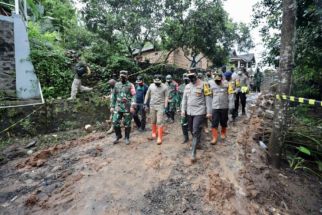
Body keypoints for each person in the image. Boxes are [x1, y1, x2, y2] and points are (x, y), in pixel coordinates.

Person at [181, 68, 212, 162]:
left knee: (195, 131)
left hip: (200, 111)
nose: (191, 78)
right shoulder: (187, 86)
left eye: (192, 76)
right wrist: (183, 110)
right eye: (189, 77)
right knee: (191, 129)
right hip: (189, 112)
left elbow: (208, 98)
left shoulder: (205, 84)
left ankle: (193, 153)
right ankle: (198, 143)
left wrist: (209, 112)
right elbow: (184, 100)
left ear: (197, 75)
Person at [110, 70, 136, 145]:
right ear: (119, 77)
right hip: (118, 106)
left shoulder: (131, 85)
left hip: (127, 107)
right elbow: (114, 96)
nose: (122, 78)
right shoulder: (116, 85)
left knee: (127, 123)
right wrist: (112, 106)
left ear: (127, 77)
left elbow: (134, 96)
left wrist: (132, 106)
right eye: (121, 77)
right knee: (115, 122)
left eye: (124, 77)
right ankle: (118, 135)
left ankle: (127, 138)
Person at [144, 74, 169, 145]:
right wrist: (145, 103)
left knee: (159, 121)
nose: (157, 84)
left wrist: (166, 106)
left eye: (158, 82)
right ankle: (154, 132)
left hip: (160, 106)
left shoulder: (165, 87)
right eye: (155, 82)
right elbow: (147, 94)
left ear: (161, 81)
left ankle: (159, 137)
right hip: (152, 105)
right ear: (153, 81)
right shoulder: (151, 86)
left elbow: (166, 97)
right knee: (153, 120)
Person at [208, 72, 229, 144]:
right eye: (216, 80)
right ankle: (214, 137)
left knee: (224, 121)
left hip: (224, 106)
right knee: (214, 122)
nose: (217, 82)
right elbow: (209, 96)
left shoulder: (226, 84)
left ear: (222, 79)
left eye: (218, 80)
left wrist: (231, 104)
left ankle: (223, 133)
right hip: (215, 106)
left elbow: (231, 94)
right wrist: (209, 110)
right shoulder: (210, 84)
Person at [178, 73, 190, 144]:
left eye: (187, 78)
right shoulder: (180, 87)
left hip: (191, 107)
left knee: (192, 123)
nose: (186, 79)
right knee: (183, 122)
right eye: (184, 78)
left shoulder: (191, 86)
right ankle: (185, 137)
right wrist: (178, 107)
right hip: (183, 107)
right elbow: (178, 98)